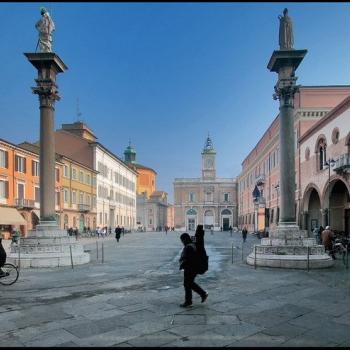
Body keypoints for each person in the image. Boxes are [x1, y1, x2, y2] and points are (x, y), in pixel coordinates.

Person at [179, 233, 208, 308]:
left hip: (190, 268)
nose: (182, 242)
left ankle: (189, 302)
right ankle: (202, 294)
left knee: (187, 284)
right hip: (193, 268)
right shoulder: (192, 244)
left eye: (182, 240)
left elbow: (189, 258)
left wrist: (183, 262)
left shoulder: (189, 247)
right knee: (189, 283)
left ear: (185, 239)